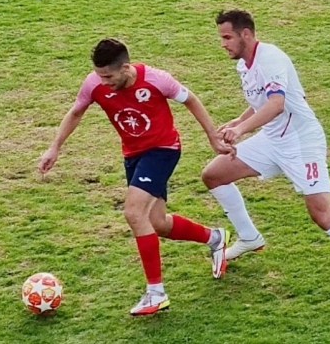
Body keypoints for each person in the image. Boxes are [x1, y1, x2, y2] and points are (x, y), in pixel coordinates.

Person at [201, 10, 330, 293]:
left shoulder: (271, 59)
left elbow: (277, 104)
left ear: (246, 34)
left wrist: (241, 131)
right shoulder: (245, 64)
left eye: (227, 37)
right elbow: (269, 98)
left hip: (301, 143)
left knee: (323, 215)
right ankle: (249, 237)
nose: (223, 44)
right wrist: (240, 120)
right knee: (213, 174)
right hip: (272, 139)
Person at [38, 38, 233, 316]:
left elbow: (190, 100)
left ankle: (156, 292)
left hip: (163, 150)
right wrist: (54, 147)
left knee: (133, 212)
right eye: (99, 75)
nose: (103, 82)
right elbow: (76, 112)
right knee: (157, 223)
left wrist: (213, 137)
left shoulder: (156, 80)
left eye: (108, 76)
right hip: (133, 155)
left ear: (125, 68)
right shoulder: (94, 83)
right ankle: (214, 238)